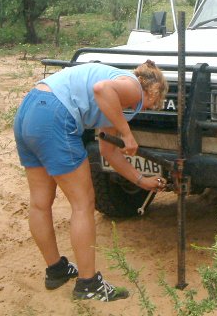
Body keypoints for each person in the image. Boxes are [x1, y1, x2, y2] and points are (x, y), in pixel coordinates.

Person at [13, 60, 169, 301]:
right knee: (83, 203)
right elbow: (101, 89)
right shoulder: (133, 87)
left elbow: (109, 152)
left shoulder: (114, 103)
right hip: (55, 115)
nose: (149, 108)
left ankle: (56, 270)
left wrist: (142, 181)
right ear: (153, 91)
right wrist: (127, 133)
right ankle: (88, 283)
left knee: (40, 202)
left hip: (30, 109)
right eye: (153, 104)